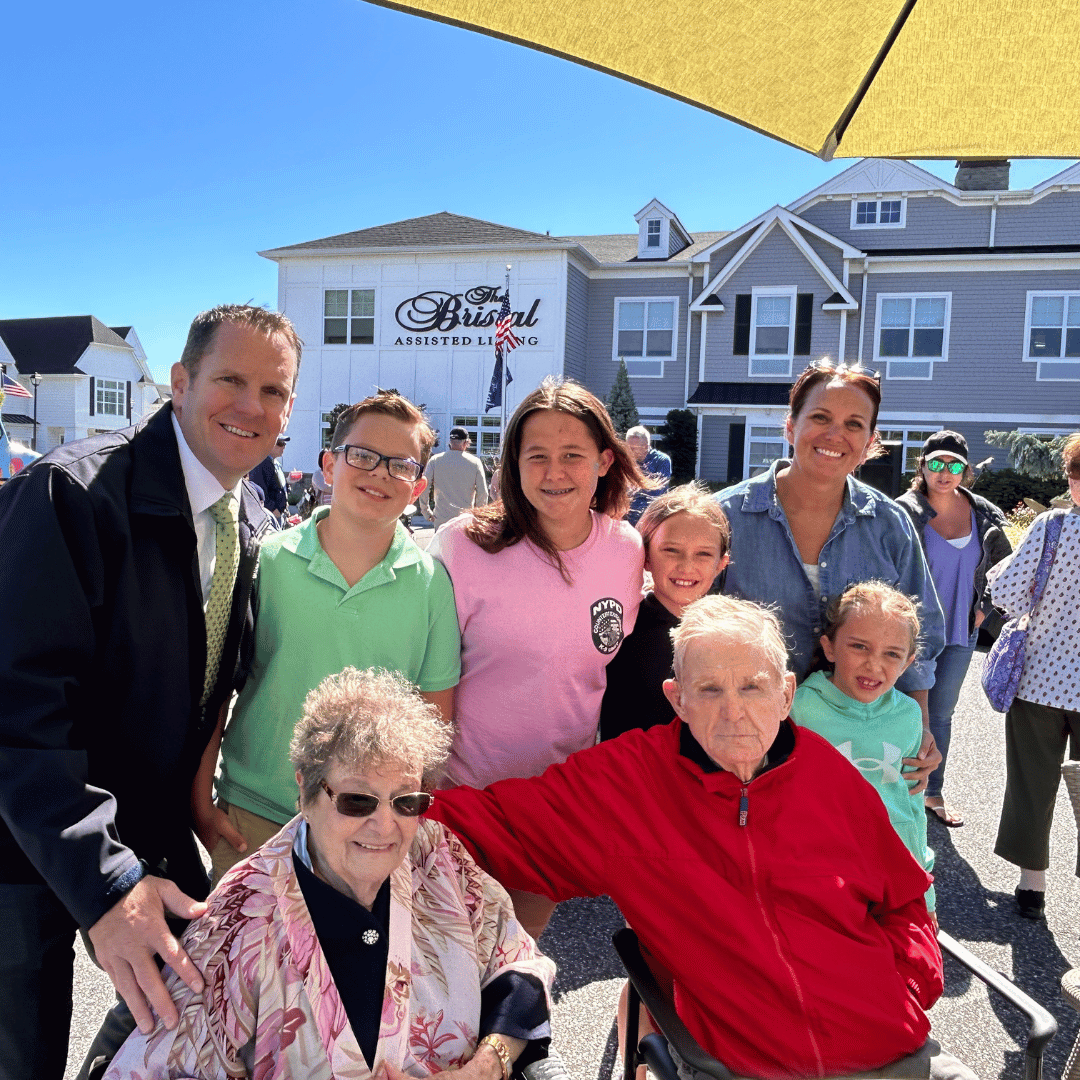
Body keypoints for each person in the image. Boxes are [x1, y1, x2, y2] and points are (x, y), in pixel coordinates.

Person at [429, 595, 975, 1080]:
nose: (733, 712)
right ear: (677, 698)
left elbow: (903, 895)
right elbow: (494, 824)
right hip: (746, 1062)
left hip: (892, 1048)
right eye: (709, 689)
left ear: (786, 694)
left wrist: (909, 986)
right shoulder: (627, 782)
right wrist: (377, 810)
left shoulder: (829, 774)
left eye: (752, 687)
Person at [0, 304, 300, 1080]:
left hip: (145, 836)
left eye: (273, 390)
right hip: (23, 834)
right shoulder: (70, 495)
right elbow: (20, 711)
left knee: (191, 1030)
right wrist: (107, 884)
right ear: (179, 381)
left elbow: (205, 686)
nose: (251, 406)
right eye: (231, 379)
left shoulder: (252, 518)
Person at [106, 666, 555, 1079]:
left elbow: (516, 963)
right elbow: (160, 1066)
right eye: (357, 800)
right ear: (305, 790)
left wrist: (485, 1067)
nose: (385, 826)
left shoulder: (437, 857)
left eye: (406, 800)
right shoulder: (239, 921)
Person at [197, 391, 461, 883]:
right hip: (255, 811)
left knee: (351, 959)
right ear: (329, 465)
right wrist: (199, 800)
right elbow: (217, 688)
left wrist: (404, 817)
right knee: (243, 958)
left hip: (368, 823)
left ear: (417, 486)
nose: (379, 473)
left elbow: (434, 715)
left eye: (400, 466)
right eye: (362, 455)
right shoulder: (268, 561)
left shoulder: (431, 583)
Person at [427, 376, 647, 938]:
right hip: (463, 802)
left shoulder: (625, 548)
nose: (554, 473)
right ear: (512, 465)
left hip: (555, 806)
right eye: (537, 456)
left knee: (517, 961)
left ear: (603, 461)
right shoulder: (462, 544)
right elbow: (428, 675)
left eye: (572, 455)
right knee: (447, 966)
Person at [715, 359, 944, 794]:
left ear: (870, 442)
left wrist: (920, 727)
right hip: (747, 740)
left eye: (853, 424)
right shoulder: (727, 519)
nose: (835, 434)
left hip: (858, 745)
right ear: (790, 425)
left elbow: (921, 633)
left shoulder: (889, 525)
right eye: (820, 417)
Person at [791, 582, 936, 920]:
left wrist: (924, 895)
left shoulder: (909, 715)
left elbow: (911, 803)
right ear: (829, 648)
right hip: (824, 874)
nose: (874, 665)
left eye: (891, 654)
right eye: (859, 647)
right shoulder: (799, 710)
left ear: (908, 662)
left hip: (892, 874)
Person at [986, 431, 1080, 921]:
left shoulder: (1052, 527)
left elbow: (1005, 591)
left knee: (1031, 782)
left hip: (1041, 678)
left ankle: (1032, 887)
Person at [897, 431, 1012, 827]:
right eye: (936, 463)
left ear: (965, 470)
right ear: (922, 465)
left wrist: (984, 611)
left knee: (941, 715)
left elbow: (1005, 572)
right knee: (908, 711)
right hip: (913, 635)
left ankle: (931, 792)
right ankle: (892, 789)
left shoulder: (984, 514)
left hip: (961, 634)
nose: (945, 472)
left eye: (955, 465)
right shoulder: (905, 512)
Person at [599, 482, 730, 740]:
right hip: (631, 773)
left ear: (721, 564)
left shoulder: (728, 636)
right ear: (645, 556)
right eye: (671, 550)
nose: (686, 565)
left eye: (703, 554)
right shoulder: (622, 629)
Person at [420, 424, 489, 530]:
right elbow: (483, 492)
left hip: (441, 518)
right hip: (464, 519)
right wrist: (477, 516)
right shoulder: (475, 462)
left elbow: (424, 486)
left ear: (450, 442)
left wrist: (426, 512)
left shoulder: (435, 461)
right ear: (466, 442)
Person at [625, 425, 671, 525]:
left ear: (645, 447)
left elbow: (656, 492)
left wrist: (634, 488)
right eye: (627, 447)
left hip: (652, 512)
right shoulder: (626, 460)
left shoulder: (661, 461)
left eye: (633, 448)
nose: (629, 451)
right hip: (627, 511)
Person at [249, 435, 289, 520]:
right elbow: (258, 490)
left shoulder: (275, 463)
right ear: (270, 444)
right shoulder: (261, 463)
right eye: (280, 443)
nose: (283, 447)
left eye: (284, 443)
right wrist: (273, 509)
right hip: (269, 515)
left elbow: (277, 487)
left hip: (278, 514)